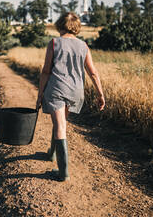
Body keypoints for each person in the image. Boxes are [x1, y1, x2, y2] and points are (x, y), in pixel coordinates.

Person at [36, 12, 105, 181]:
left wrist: (40, 94)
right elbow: (93, 73)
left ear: (60, 25)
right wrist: (100, 94)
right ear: (76, 27)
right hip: (75, 91)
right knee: (60, 122)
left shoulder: (54, 43)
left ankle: (63, 172)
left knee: (60, 126)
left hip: (57, 89)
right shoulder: (83, 45)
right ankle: (51, 154)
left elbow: (46, 71)